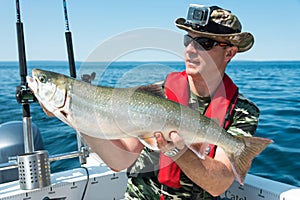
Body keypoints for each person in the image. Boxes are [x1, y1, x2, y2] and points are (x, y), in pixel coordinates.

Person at [43, 4, 259, 200]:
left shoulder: (242, 111)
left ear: (229, 52)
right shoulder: (156, 94)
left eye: (204, 43)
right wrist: (76, 116)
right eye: (188, 40)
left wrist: (177, 151)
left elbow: (218, 184)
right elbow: (120, 160)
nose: (191, 50)